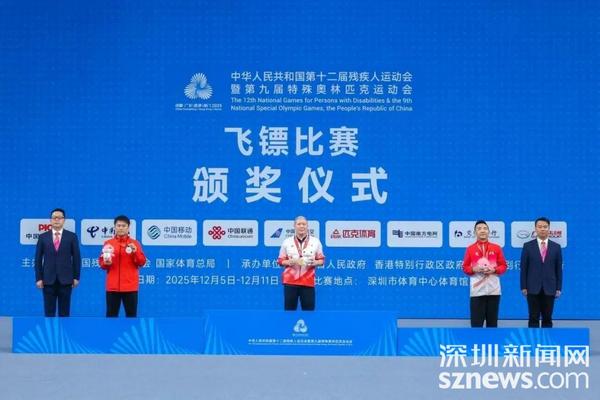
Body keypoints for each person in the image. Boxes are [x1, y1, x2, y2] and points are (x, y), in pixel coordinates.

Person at [34, 208, 81, 317]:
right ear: (50, 220)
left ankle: (63, 329)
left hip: (66, 280)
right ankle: (50, 329)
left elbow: (77, 258)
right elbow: (38, 259)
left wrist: (76, 277)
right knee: (49, 312)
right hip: (48, 280)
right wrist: (39, 278)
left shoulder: (72, 236)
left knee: (64, 312)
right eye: (54, 218)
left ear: (64, 220)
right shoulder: (43, 237)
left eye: (59, 218)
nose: (57, 220)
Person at [98, 215, 146, 317]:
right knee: (111, 316)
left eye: (123, 226)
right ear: (114, 227)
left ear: (128, 227)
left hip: (130, 287)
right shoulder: (108, 243)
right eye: (118, 225)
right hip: (113, 287)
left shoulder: (135, 243)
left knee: (131, 316)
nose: (121, 228)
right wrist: (106, 263)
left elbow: (141, 262)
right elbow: (102, 264)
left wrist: (135, 251)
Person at [462, 220, 507, 327]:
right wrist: (474, 269)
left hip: (493, 290)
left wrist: (494, 270)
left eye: (485, 228)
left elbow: (503, 266)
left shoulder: (496, 248)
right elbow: (465, 267)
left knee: (492, 324)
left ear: (489, 232)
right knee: (476, 325)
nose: (482, 231)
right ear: (475, 232)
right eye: (479, 229)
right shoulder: (470, 249)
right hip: (477, 291)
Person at [520, 217, 563, 328]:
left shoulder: (556, 247)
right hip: (532, 287)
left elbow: (558, 269)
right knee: (533, 317)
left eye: (545, 227)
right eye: (540, 227)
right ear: (535, 229)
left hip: (550, 287)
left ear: (549, 228)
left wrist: (558, 288)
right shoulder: (527, 246)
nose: (542, 229)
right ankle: (533, 339)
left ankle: (546, 339)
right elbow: (524, 268)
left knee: (547, 318)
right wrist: (523, 286)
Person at [277, 216, 325, 310]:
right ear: (294, 226)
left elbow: (322, 260)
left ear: (307, 226)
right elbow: (280, 261)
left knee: (309, 312)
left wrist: (314, 262)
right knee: (289, 312)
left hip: (308, 282)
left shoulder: (316, 242)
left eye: (304, 224)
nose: (301, 226)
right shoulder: (287, 242)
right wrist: (291, 261)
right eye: (299, 224)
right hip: (290, 282)